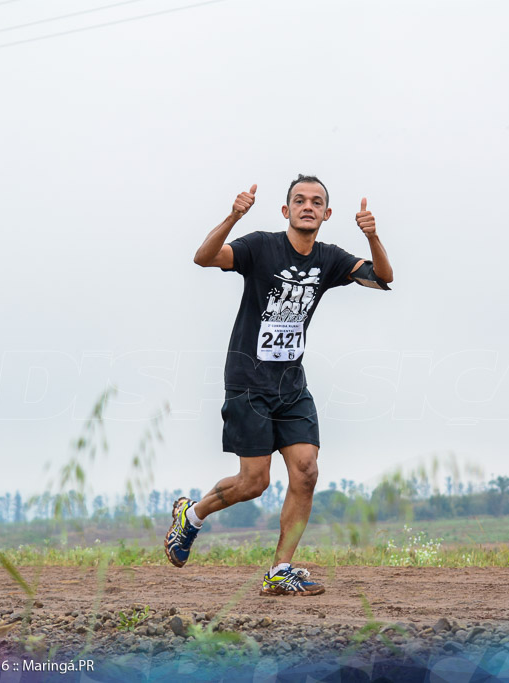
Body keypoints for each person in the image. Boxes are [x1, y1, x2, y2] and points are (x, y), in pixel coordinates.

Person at [164, 174, 394, 595]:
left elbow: (382, 278)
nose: (308, 206)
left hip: (291, 385)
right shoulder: (260, 246)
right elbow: (203, 257)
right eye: (300, 201)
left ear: (327, 214)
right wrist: (234, 215)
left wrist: (373, 237)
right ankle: (191, 515)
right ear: (286, 211)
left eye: (317, 202)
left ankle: (279, 570)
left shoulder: (330, 258)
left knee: (306, 471)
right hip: (248, 381)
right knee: (254, 482)